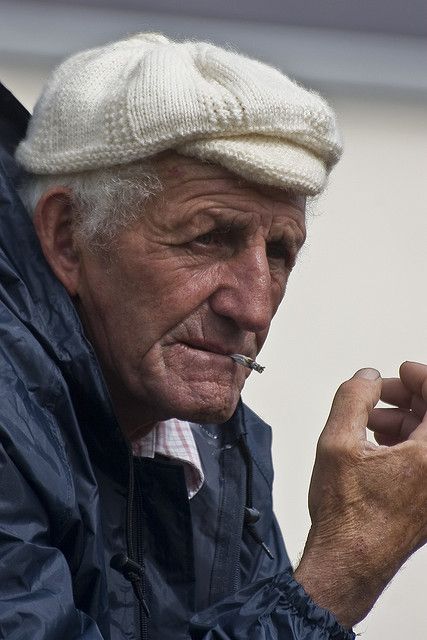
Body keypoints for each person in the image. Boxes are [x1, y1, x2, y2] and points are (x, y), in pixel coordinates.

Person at [0, 32, 425, 640]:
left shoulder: (215, 445)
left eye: (280, 252)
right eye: (208, 238)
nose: (252, 308)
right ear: (69, 236)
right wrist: (342, 571)